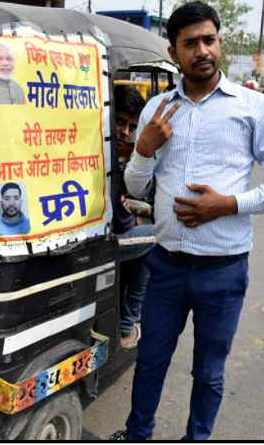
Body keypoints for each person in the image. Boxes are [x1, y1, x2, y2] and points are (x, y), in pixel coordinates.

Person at [111, 1, 264, 440]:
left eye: (209, 40)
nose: (202, 50)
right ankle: (137, 432)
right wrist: (144, 148)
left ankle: (197, 437)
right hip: (166, 266)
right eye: (190, 43)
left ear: (219, 43)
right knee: (151, 361)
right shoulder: (157, 110)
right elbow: (137, 188)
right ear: (173, 51)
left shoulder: (254, 108)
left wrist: (227, 204)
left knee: (209, 372)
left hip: (223, 269)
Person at [111, 84, 156, 350]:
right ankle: (128, 323)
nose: (124, 132)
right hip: (107, 243)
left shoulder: (126, 156)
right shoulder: (101, 156)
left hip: (120, 235)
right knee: (162, 234)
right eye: (119, 122)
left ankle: (128, 320)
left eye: (131, 127)